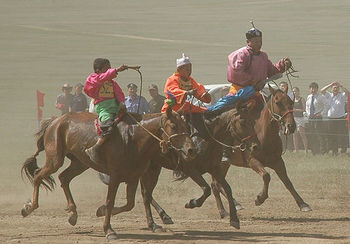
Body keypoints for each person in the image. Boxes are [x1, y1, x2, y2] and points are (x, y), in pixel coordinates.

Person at [209, 21, 291, 112]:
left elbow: (271, 71)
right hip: (239, 92)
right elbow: (237, 73)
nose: (259, 44)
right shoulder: (242, 54)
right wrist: (255, 83)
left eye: (260, 41)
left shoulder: (263, 56)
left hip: (255, 93)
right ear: (248, 42)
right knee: (220, 111)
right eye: (255, 41)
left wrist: (283, 65)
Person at [84, 58, 128, 164]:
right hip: (104, 108)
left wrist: (122, 103)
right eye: (107, 68)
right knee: (107, 125)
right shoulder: (93, 78)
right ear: (98, 70)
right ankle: (95, 147)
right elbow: (101, 78)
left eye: (110, 68)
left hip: (116, 108)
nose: (109, 70)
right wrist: (116, 70)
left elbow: (119, 93)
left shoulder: (112, 83)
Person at [321, 81, 349, 155]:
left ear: (339, 89)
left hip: (340, 119)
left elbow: (347, 93)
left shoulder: (342, 95)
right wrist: (330, 84)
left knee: (342, 135)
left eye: (337, 88)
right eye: (334, 88)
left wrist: (341, 86)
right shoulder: (329, 95)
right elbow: (322, 90)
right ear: (331, 89)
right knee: (332, 135)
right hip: (331, 119)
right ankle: (334, 151)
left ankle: (343, 151)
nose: (335, 89)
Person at [305, 82, 328, 155]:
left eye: (314, 88)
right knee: (312, 135)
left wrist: (321, 114)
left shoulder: (321, 96)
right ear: (309, 89)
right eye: (311, 88)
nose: (313, 90)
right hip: (310, 119)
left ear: (317, 89)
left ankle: (322, 152)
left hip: (318, 118)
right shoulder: (309, 97)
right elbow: (307, 107)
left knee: (320, 135)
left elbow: (327, 105)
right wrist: (307, 113)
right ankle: (314, 151)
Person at [292, 87, 308, 153]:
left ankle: (306, 149)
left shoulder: (302, 99)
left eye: (295, 91)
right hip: (294, 118)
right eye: (293, 91)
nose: (294, 93)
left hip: (300, 118)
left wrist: (296, 110)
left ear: (298, 92)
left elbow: (304, 109)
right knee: (294, 134)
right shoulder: (292, 100)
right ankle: (296, 149)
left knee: (302, 134)